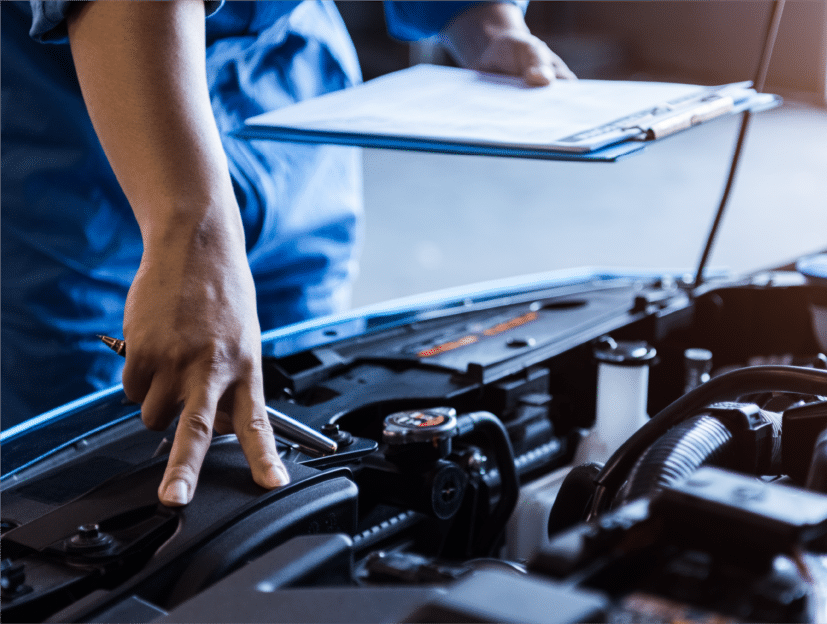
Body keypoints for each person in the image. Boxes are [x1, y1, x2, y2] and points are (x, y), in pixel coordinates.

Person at [0, 0, 573, 506]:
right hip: (82, 101)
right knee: (87, 447)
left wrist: (485, 21)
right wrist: (189, 233)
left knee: (308, 383)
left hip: (284, 81)